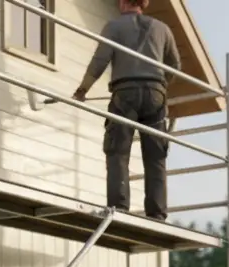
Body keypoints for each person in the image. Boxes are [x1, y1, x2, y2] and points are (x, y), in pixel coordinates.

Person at [73, 0, 181, 221]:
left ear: (123, 2)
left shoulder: (114, 27)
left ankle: (119, 207)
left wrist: (82, 90)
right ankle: (157, 213)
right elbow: (175, 65)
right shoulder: (162, 28)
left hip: (125, 93)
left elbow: (100, 61)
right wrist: (160, 86)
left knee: (118, 151)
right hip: (155, 94)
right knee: (155, 155)